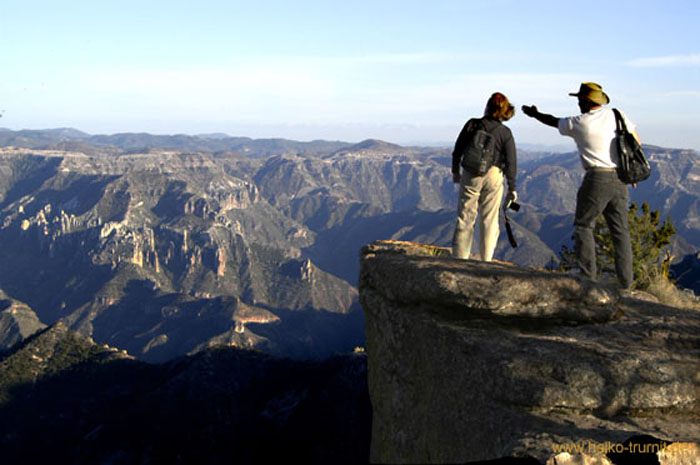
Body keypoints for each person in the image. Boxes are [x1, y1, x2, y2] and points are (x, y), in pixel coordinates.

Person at [522, 82, 640, 289]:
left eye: (579, 100)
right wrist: (632, 171)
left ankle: (588, 278)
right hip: (621, 178)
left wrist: (535, 114)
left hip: (597, 178)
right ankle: (626, 282)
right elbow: (634, 141)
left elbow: (553, 121)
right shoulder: (617, 114)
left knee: (584, 225)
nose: (577, 103)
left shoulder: (580, 122)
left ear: (585, 101)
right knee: (620, 230)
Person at [451, 92, 517, 261]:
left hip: (471, 173)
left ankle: (460, 259)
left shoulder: (473, 125)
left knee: (465, 217)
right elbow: (511, 162)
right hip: (494, 175)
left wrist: (455, 172)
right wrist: (512, 187)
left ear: (487, 107)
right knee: (489, 219)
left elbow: (458, 150)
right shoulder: (505, 132)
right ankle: (486, 261)